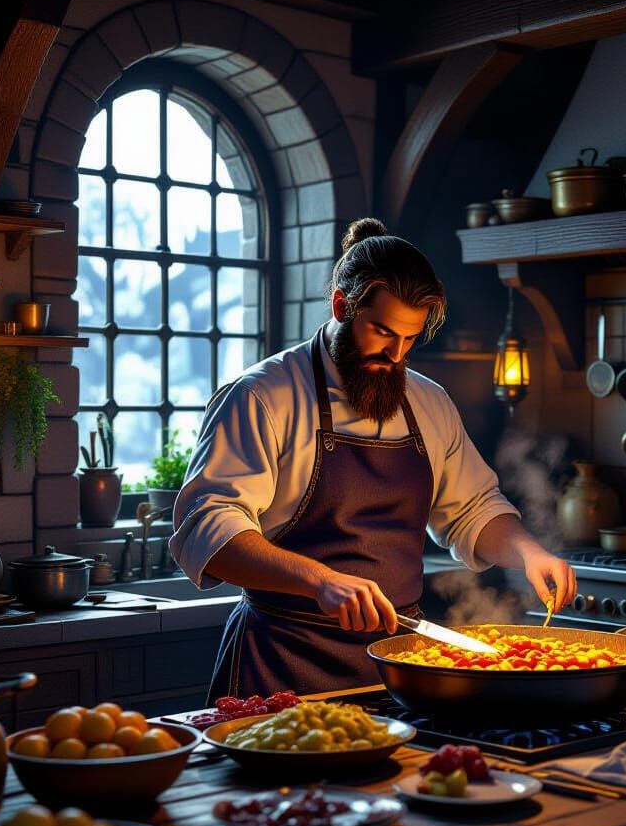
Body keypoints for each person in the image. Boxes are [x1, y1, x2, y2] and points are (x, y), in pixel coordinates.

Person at [169, 217, 577, 702]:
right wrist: (320, 581)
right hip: (282, 666)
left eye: (410, 339)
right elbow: (207, 532)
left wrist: (530, 552)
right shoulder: (262, 396)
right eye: (382, 332)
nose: (396, 354)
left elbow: (473, 511)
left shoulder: (429, 401)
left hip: (399, 666)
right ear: (342, 305)